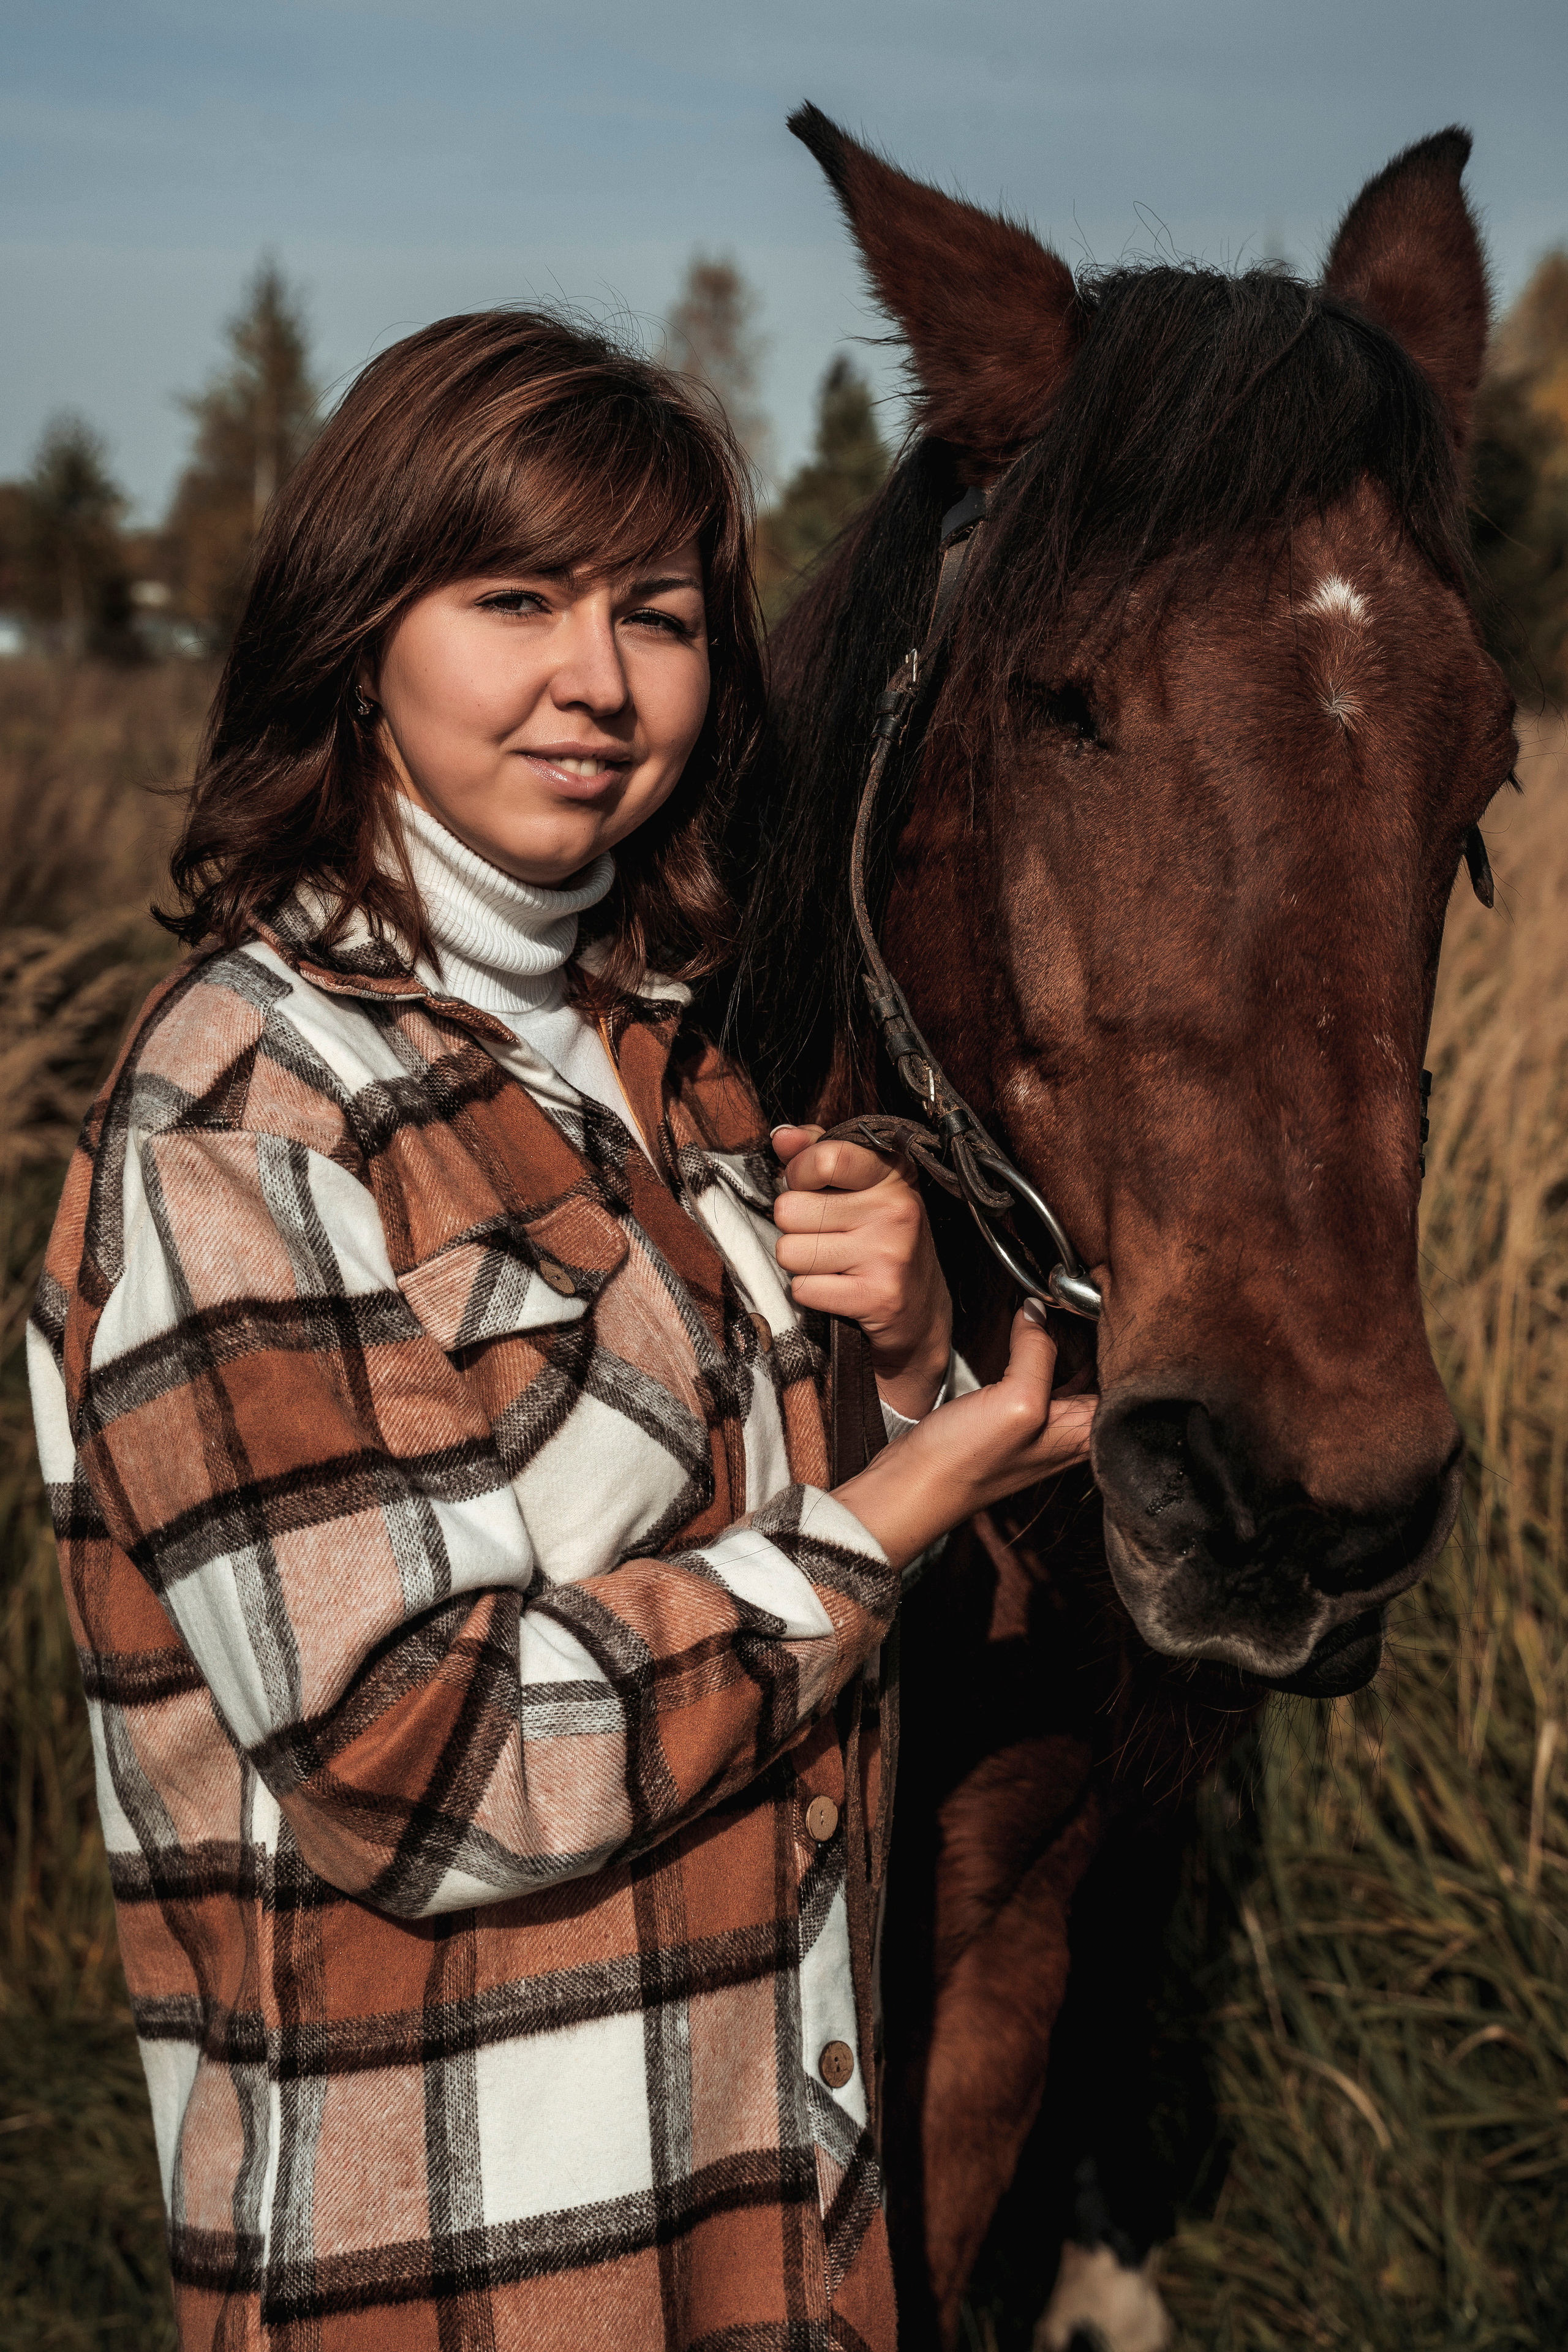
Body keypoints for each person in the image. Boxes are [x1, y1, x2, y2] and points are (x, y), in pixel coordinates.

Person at [28, 309, 1095, 2351]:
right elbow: (417, 1756)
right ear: (363, 634)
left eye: (661, 616)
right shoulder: (240, 1119)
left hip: (766, 2225)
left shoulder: (670, 1073)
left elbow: (729, 1554)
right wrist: (896, 1515)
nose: (596, 683)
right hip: (462, 2274)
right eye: (512, 598)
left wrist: (902, 1365)